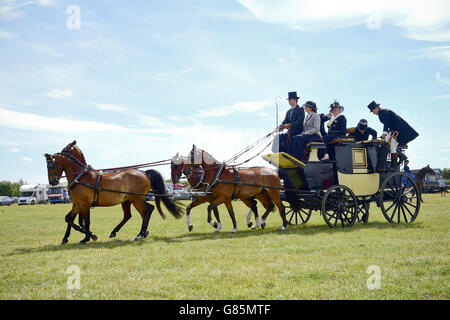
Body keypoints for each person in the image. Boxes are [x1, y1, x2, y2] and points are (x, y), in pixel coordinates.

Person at [368, 101, 419, 169]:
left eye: (372, 111)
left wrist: (385, 133)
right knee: (386, 143)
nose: (373, 113)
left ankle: (394, 164)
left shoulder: (383, 112)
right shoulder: (382, 113)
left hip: (400, 130)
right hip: (394, 130)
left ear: (376, 108)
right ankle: (399, 157)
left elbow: (387, 122)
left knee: (392, 146)